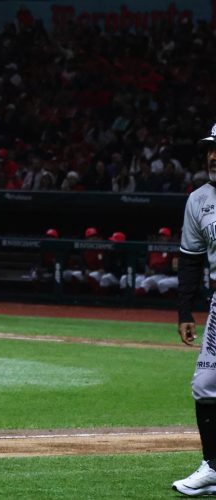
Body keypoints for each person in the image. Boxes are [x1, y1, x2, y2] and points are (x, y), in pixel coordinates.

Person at [173, 123, 216, 496]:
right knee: (205, 385)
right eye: (210, 149)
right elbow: (190, 260)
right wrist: (184, 312)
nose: (213, 155)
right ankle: (213, 466)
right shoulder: (198, 200)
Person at [135, 227, 179, 296]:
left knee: (148, 282)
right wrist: (147, 271)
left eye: (164, 236)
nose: (161, 238)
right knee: (137, 281)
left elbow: (174, 268)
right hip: (152, 274)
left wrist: (155, 271)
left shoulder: (173, 249)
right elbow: (147, 263)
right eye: (160, 236)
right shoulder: (153, 249)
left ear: (169, 237)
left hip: (165, 275)